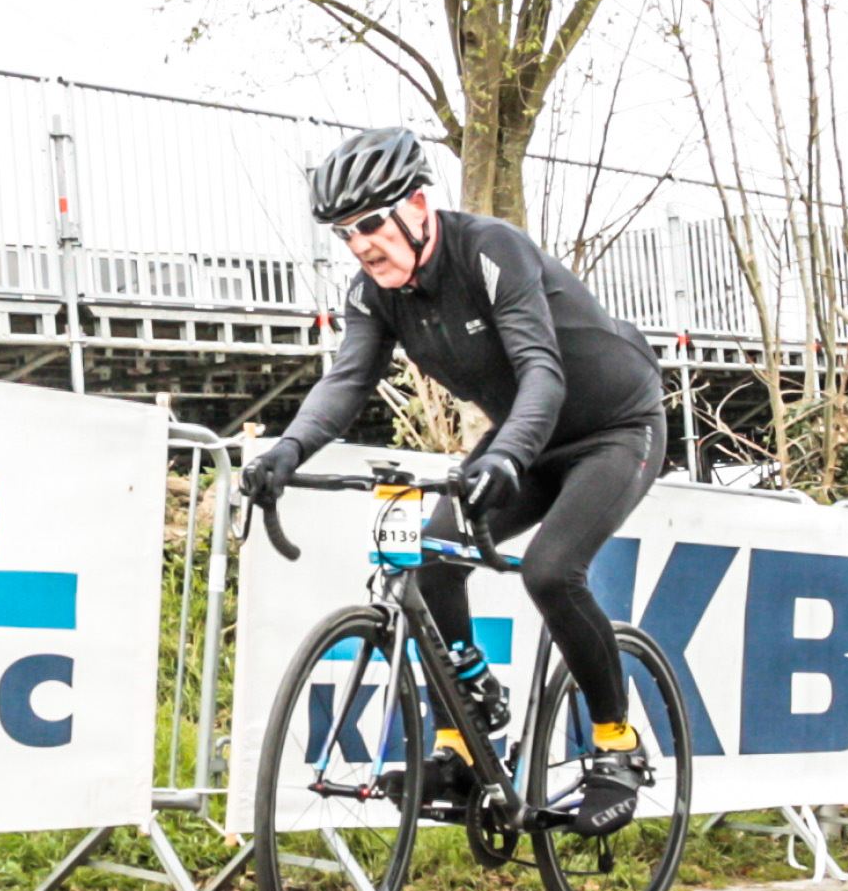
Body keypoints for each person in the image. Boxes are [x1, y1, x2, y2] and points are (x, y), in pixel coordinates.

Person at [241, 127, 665, 834]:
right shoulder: (375, 295)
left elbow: (541, 370)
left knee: (552, 571)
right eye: (345, 233)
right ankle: (463, 740)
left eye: (371, 224)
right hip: (528, 436)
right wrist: (288, 451)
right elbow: (347, 382)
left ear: (417, 205)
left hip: (613, 427)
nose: (360, 244)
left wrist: (507, 455)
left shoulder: (491, 250)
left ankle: (617, 744)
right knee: (433, 556)